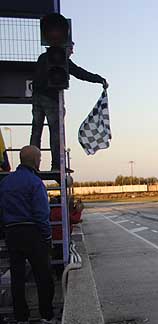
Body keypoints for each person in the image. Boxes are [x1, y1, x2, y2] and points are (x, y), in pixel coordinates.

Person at [30, 42, 109, 171]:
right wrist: (100, 79)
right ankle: (56, 164)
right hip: (51, 99)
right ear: (64, 48)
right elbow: (80, 73)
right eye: (71, 49)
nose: (72, 52)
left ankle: (31, 164)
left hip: (37, 98)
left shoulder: (43, 57)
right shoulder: (63, 61)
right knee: (55, 132)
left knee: (36, 131)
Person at [0, 146, 55, 323]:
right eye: (39, 158)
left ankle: (21, 316)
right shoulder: (34, 182)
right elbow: (41, 213)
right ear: (33, 160)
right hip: (32, 232)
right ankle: (46, 314)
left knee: (17, 278)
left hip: (11, 232)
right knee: (43, 276)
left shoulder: (6, 182)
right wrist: (47, 237)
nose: (40, 161)